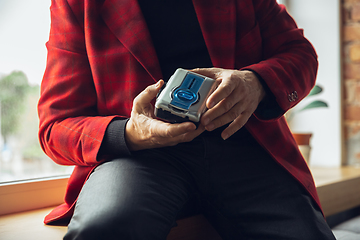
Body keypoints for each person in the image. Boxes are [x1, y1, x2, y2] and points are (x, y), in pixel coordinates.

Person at [38, 0, 336, 239]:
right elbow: (55, 126)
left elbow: (300, 54)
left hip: (244, 145)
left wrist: (254, 82)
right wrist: (131, 132)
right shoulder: (76, 4)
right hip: (141, 159)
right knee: (107, 228)